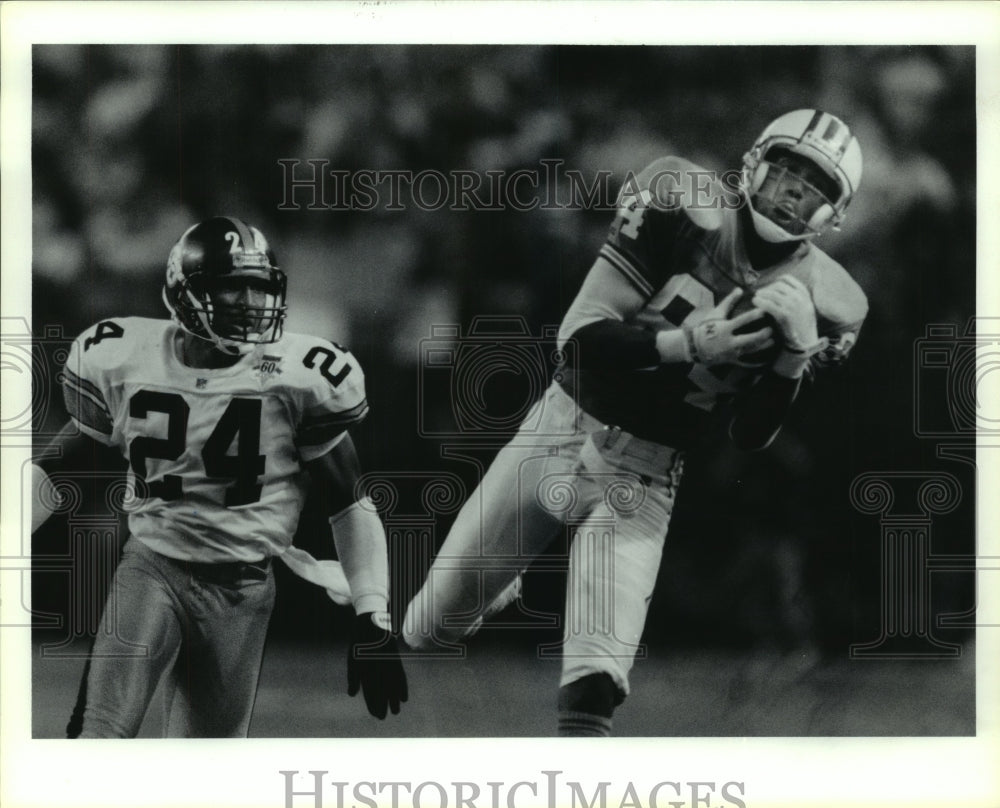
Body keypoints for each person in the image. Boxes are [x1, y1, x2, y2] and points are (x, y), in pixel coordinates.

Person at [403, 109, 868, 736]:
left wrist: (792, 358)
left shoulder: (832, 303)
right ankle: (497, 587)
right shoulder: (683, 202)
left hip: (645, 476)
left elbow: (750, 436)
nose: (790, 190)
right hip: (560, 429)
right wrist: (689, 345)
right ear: (752, 163)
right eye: (785, 168)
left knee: (596, 682)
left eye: (812, 186)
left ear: (833, 216)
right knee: (429, 628)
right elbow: (578, 338)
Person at [31, 216, 407, 737]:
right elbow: (59, 468)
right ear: (183, 294)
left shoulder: (300, 376)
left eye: (258, 288)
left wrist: (372, 612)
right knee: (100, 737)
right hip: (152, 569)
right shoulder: (126, 358)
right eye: (233, 288)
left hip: (244, 586)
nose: (251, 303)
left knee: (205, 772)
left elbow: (348, 499)